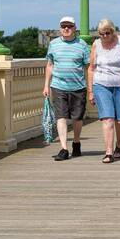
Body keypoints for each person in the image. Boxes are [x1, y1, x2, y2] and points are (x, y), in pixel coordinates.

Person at [87, 18, 120, 164]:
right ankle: (108, 152)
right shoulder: (96, 45)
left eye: (107, 33)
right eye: (101, 34)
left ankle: (119, 145)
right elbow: (91, 69)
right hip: (101, 85)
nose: (104, 37)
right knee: (108, 118)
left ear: (113, 32)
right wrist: (90, 91)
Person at [44, 15, 90, 161]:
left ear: (75, 28)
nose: (66, 29)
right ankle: (64, 148)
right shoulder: (54, 44)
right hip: (58, 86)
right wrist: (46, 85)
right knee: (61, 116)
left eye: (69, 26)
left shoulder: (82, 44)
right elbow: (50, 65)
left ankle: (76, 142)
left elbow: (88, 67)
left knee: (77, 118)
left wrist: (90, 87)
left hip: (78, 86)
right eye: (63, 26)